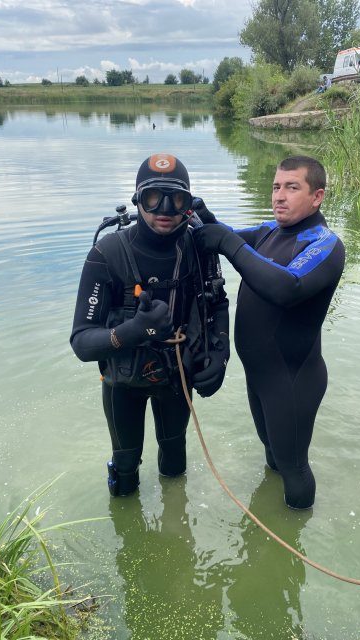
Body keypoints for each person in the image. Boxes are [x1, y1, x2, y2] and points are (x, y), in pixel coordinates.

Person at [70, 153, 229, 497]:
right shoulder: (107, 253)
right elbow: (82, 342)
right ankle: (128, 536)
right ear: (137, 199)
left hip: (177, 377)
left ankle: (176, 531)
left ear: (189, 204)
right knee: (126, 465)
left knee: (174, 459)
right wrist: (134, 331)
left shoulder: (198, 247)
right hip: (123, 385)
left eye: (177, 199)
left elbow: (217, 302)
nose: (165, 208)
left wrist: (221, 355)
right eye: (153, 197)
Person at [193, 156, 345, 510]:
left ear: (317, 196)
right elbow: (227, 237)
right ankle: (268, 519)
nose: (279, 196)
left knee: (293, 468)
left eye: (292, 187)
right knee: (273, 457)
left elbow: (285, 287)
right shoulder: (269, 231)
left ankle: (292, 540)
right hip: (259, 374)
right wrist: (204, 218)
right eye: (276, 186)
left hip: (292, 379)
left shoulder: (324, 244)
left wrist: (228, 244)